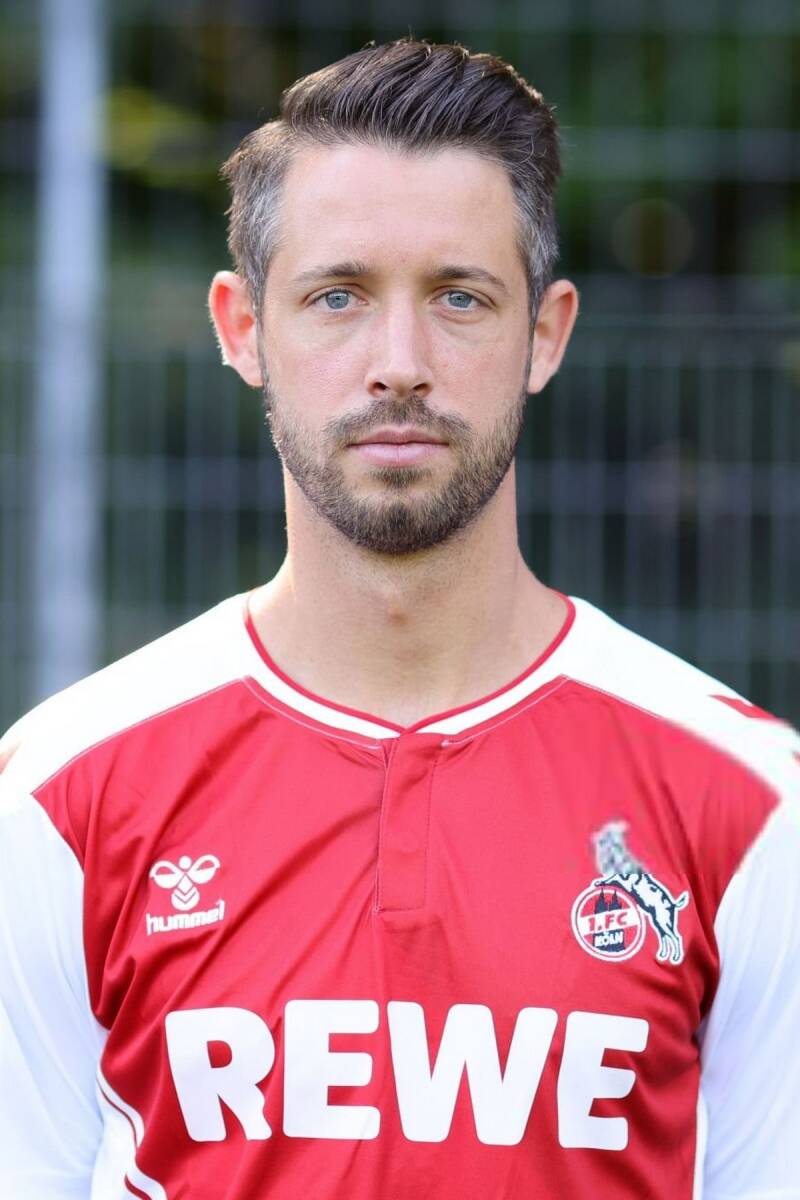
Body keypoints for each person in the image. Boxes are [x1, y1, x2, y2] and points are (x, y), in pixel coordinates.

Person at [1, 37, 798, 1200]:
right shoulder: (61, 796)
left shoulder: (748, 802)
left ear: (545, 334)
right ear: (240, 327)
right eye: (337, 296)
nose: (399, 364)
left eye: (458, 298)